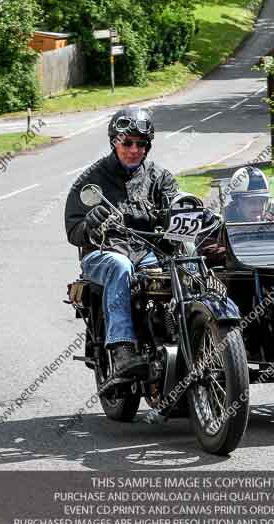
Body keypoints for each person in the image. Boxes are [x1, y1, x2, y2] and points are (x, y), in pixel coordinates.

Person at [64, 107, 178, 380]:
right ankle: (121, 348)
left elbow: (178, 209)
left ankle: (187, 333)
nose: (134, 149)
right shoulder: (91, 179)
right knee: (120, 266)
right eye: (127, 142)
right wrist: (90, 221)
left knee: (180, 268)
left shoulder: (159, 177)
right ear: (114, 142)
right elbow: (73, 232)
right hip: (102, 253)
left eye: (141, 144)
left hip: (146, 252)